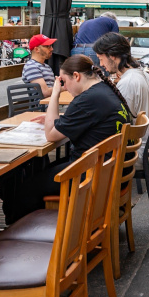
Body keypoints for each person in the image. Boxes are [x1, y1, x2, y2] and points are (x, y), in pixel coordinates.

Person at [14, 55, 132, 220]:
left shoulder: (86, 100)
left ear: (76, 76)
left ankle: (32, 237)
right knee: (41, 173)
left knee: (23, 191)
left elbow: (51, 135)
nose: (65, 87)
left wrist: (54, 93)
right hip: (110, 171)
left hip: (91, 175)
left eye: (64, 82)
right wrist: (58, 120)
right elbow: (85, 119)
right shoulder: (104, 91)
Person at [94, 32, 149, 150]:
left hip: (136, 150)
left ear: (112, 55)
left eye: (101, 59)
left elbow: (119, 122)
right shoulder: (143, 73)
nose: (101, 64)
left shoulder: (128, 82)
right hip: (148, 146)